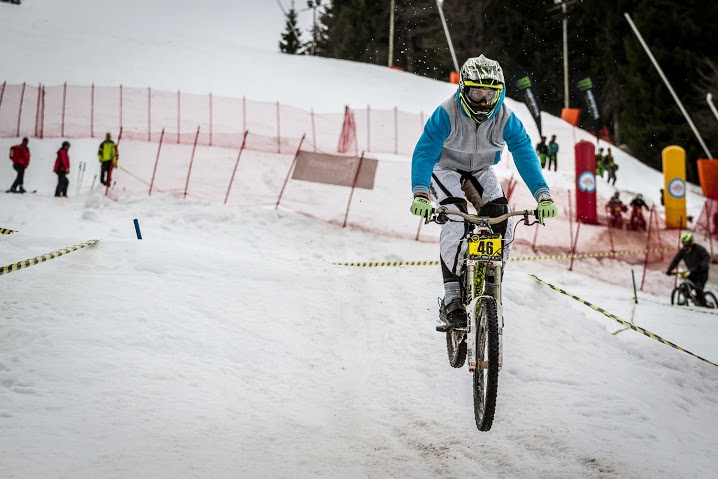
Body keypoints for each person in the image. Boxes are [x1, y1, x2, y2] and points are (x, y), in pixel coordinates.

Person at [409, 54, 556, 329]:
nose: (483, 101)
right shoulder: (447, 112)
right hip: (445, 168)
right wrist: (420, 192)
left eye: (490, 94)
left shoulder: (505, 117)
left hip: (481, 170)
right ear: (464, 89)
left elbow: (524, 153)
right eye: (476, 92)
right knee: (456, 218)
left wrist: (542, 195)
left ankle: (492, 276)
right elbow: (425, 152)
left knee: (503, 219)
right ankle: (452, 296)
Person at [666, 232, 711, 306]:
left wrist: (701, 265)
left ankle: (704, 304)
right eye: (683, 244)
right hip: (693, 273)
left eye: (687, 244)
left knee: (698, 288)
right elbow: (675, 260)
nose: (685, 246)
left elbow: (706, 257)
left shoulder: (699, 249)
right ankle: (685, 300)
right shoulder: (683, 251)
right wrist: (669, 270)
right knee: (684, 286)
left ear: (691, 242)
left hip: (702, 273)